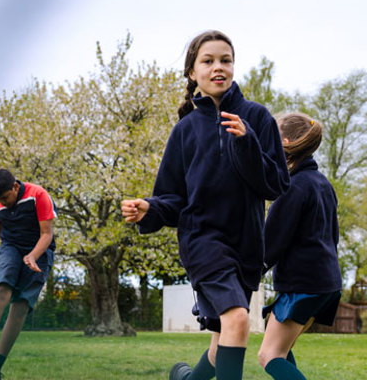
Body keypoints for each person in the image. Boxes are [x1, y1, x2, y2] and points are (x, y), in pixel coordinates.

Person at [121, 30, 290, 380]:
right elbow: (174, 198)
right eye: (208, 61)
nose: (218, 67)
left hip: (245, 244)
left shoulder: (257, 118)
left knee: (222, 339)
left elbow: (276, 184)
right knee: (238, 320)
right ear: (192, 72)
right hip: (202, 241)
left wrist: (248, 143)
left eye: (225, 60)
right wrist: (149, 209)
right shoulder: (185, 130)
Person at [257, 112, 342, 380]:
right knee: (282, 349)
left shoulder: (293, 186)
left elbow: (271, 243)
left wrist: (247, 270)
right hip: (325, 283)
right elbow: (334, 237)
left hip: (304, 285)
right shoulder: (322, 184)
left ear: (283, 141)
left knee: (269, 355)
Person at [0, 169, 56, 380]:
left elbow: (47, 234)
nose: (2, 203)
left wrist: (33, 256)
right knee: (1, 288)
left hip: (39, 250)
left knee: (21, 305)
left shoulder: (38, 195)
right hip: (11, 247)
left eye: (5, 197)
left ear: (15, 186)